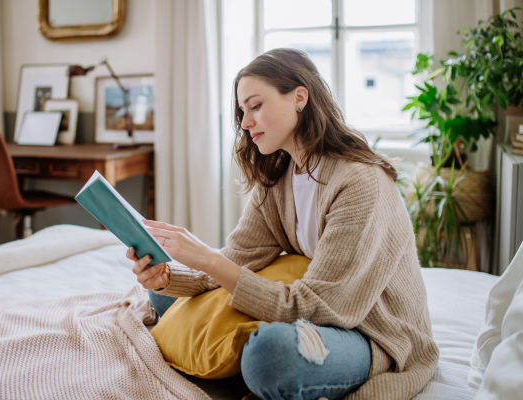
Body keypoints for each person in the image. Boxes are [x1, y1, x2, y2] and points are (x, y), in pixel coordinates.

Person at [127, 48, 439, 400]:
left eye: (256, 106)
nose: (245, 123)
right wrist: (170, 276)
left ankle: (255, 372)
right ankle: (247, 374)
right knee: (160, 294)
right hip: (315, 313)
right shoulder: (277, 179)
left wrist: (208, 258)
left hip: (367, 329)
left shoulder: (360, 183)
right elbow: (239, 258)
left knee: (269, 355)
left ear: (299, 98)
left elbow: (318, 307)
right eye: (242, 111)